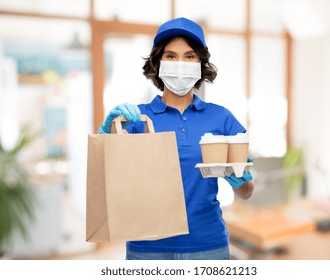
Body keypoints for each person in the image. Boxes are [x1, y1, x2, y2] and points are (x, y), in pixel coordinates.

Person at [98, 17, 254, 260]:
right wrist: (107, 134)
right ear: (158, 62)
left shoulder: (221, 118)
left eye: (189, 56)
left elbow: (246, 191)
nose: (180, 63)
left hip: (208, 247)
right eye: (171, 56)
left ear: (201, 62)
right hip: (147, 250)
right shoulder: (138, 118)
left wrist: (237, 178)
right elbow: (105, 178)